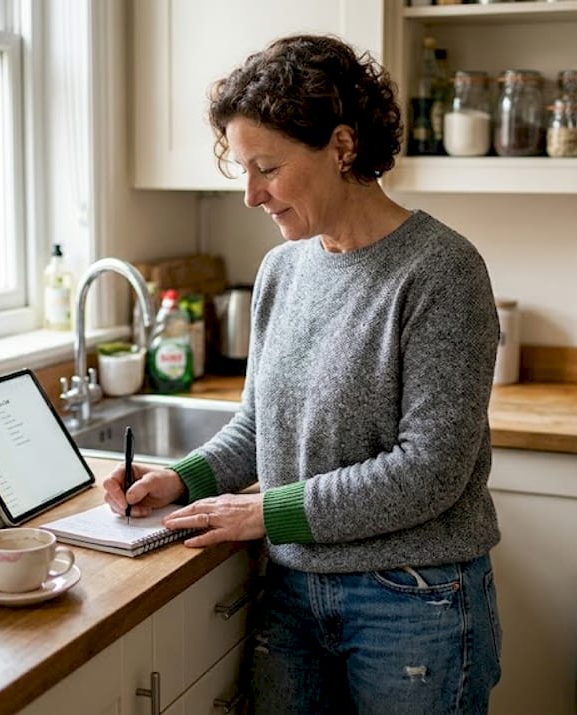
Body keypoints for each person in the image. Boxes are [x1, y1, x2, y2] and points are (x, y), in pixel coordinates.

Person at [103, 35, 503, 713]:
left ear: (342, 147)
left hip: (413, 599)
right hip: (293, 593)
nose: (252, 194)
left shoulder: (440, 270)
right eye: (244, 169)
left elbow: (429, 470)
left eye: (268, 168)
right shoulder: (281, 270)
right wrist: (180, 477)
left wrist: (267, 511)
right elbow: (259, 425)